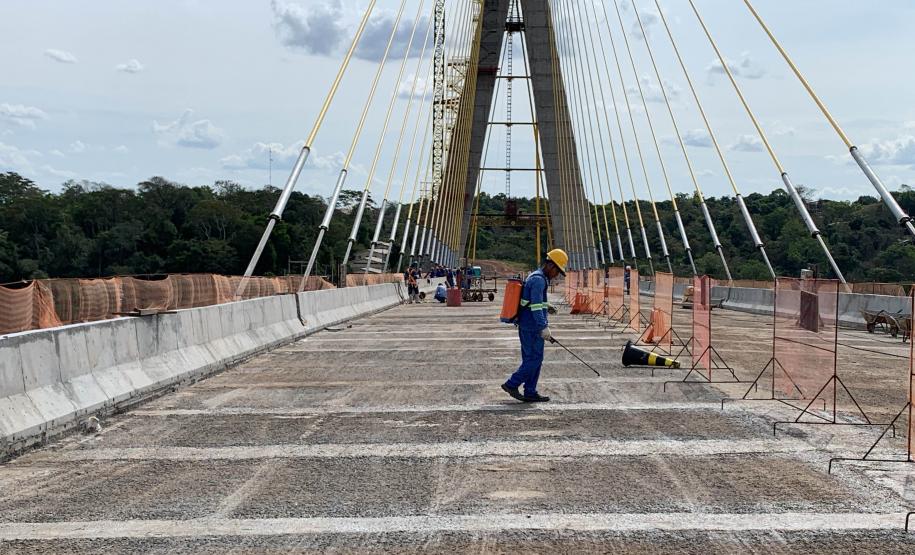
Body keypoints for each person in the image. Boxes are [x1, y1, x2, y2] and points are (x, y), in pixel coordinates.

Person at [502, 248, 568, 403]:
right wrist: (543, 327)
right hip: (532, 327)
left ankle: (530, 391)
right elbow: (536, 307)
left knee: (532, 359)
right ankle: (512, 384)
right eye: (557, 271)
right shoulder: (539, 280)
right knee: (534, 359)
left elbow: (535, 301)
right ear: (550, 265)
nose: (557, 275)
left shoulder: (536, 276)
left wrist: (547, 305)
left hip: (528, 325)